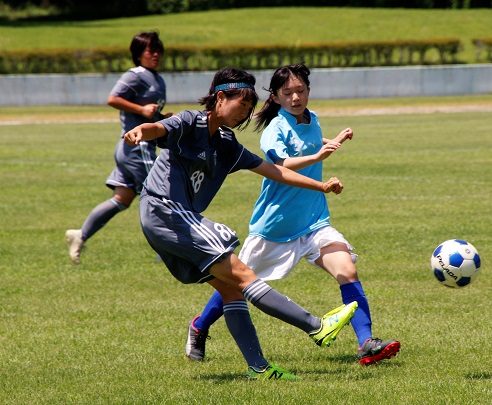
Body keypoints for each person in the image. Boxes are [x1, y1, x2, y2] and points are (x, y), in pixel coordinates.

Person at [123, 67, 358, 380]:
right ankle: (317, 327)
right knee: (244, 274)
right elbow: (157, 128)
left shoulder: (225, 143)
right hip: (165, 211)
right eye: (241, 104)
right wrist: (141, 131)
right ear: (220, 98)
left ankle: (258, 368)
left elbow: (274, 170)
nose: (245, 112)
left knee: (232, 291)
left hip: (169, 221)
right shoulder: (190, 122)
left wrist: (321, 186)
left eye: (250, 107)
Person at [185, 63, 400, 366]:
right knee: (236, 286)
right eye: (288, 93)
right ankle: (200, 326)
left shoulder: (312, 119)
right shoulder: (275, 128)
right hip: (273, 228)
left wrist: (330, 141)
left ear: (309, 91)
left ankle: (366, 342)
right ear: (275, 96)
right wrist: (317, 157)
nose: (296, 97)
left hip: (314, 222)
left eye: (301, 90)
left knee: (347, 271)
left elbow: (310, 141)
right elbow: (279, 162)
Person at [66, 31, 173, 264]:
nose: (156, 55)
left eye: (159, 50)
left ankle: (80, 235)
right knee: (162, 194)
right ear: (138, 54)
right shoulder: (135, 75)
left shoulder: (156, 78)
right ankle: (167, 252)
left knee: (122, 199)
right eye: (150, 51)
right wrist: (142, 110)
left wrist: (161, 117)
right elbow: (113, 99)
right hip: (137, 146)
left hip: (132, 147)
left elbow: (147, 111)